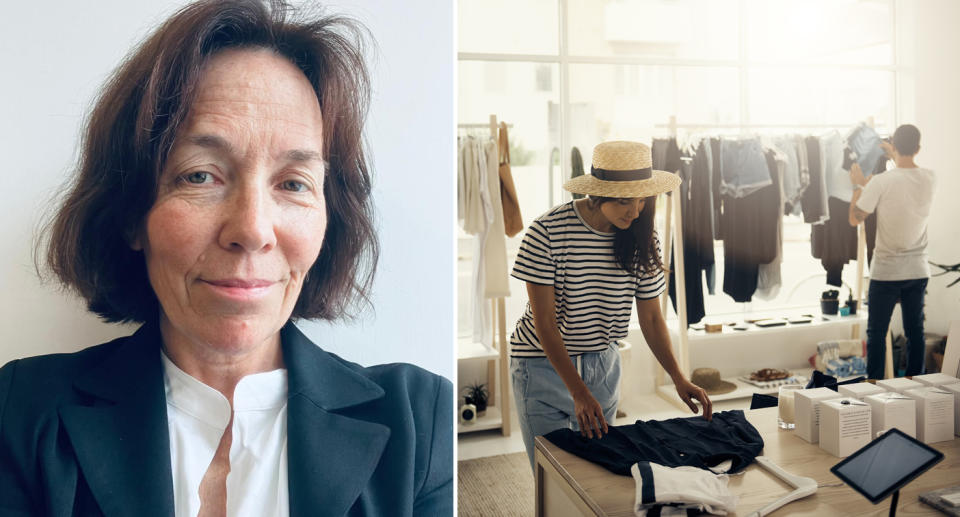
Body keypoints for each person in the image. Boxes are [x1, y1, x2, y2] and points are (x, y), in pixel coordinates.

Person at [0, 1, 452, 515]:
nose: (253, 230)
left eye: (293, 183)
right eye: (200, 175)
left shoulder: (419, 419)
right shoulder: (25, 411)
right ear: (132, 213)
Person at [510, 140, 712, 469]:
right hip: (541, 367)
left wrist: (677, 376)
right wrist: (577, 392)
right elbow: (543, 322)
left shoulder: (643, 235)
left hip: (602, 366)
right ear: (596, 194)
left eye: (642, 201)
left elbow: (651, 318)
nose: (634, 212)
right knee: (552, 477)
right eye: (623, 202)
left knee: (598, 474)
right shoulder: (546, 232)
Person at [849, 124, 936, 380]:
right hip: (917, 269)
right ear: (918, 148)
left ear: (895, 146)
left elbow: (856, 218)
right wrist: (894, 155)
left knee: (877, 333)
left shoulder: (880, 182)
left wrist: (857, 186)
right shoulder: (931, 177)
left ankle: (874, 387)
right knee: (915, 333)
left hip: (886, 271)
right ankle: (915, 385)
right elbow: (905, 177)